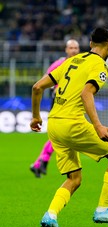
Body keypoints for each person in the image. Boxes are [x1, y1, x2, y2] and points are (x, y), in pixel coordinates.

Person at [30, 27, 108, 227]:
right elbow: (86, 94)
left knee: (74, 178)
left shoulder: (71, 61)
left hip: (54, 125)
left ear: (90, 44)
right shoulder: (100, 65)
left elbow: (37, 87)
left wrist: (36, 116)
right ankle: (102, 209)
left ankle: (51, 215)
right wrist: (98, 126)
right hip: (73, 123)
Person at [30, 39, 80, 178]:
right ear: (66, 50)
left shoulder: (82, 64)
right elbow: (43, 82)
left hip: (74, 104)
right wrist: (56, 89)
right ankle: (43, 162)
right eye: (71, 47)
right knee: (62, 135)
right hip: (60, 103)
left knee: (60, 136)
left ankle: (41, 162)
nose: (74, 50)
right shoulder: (59, 64)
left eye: (76, 47)